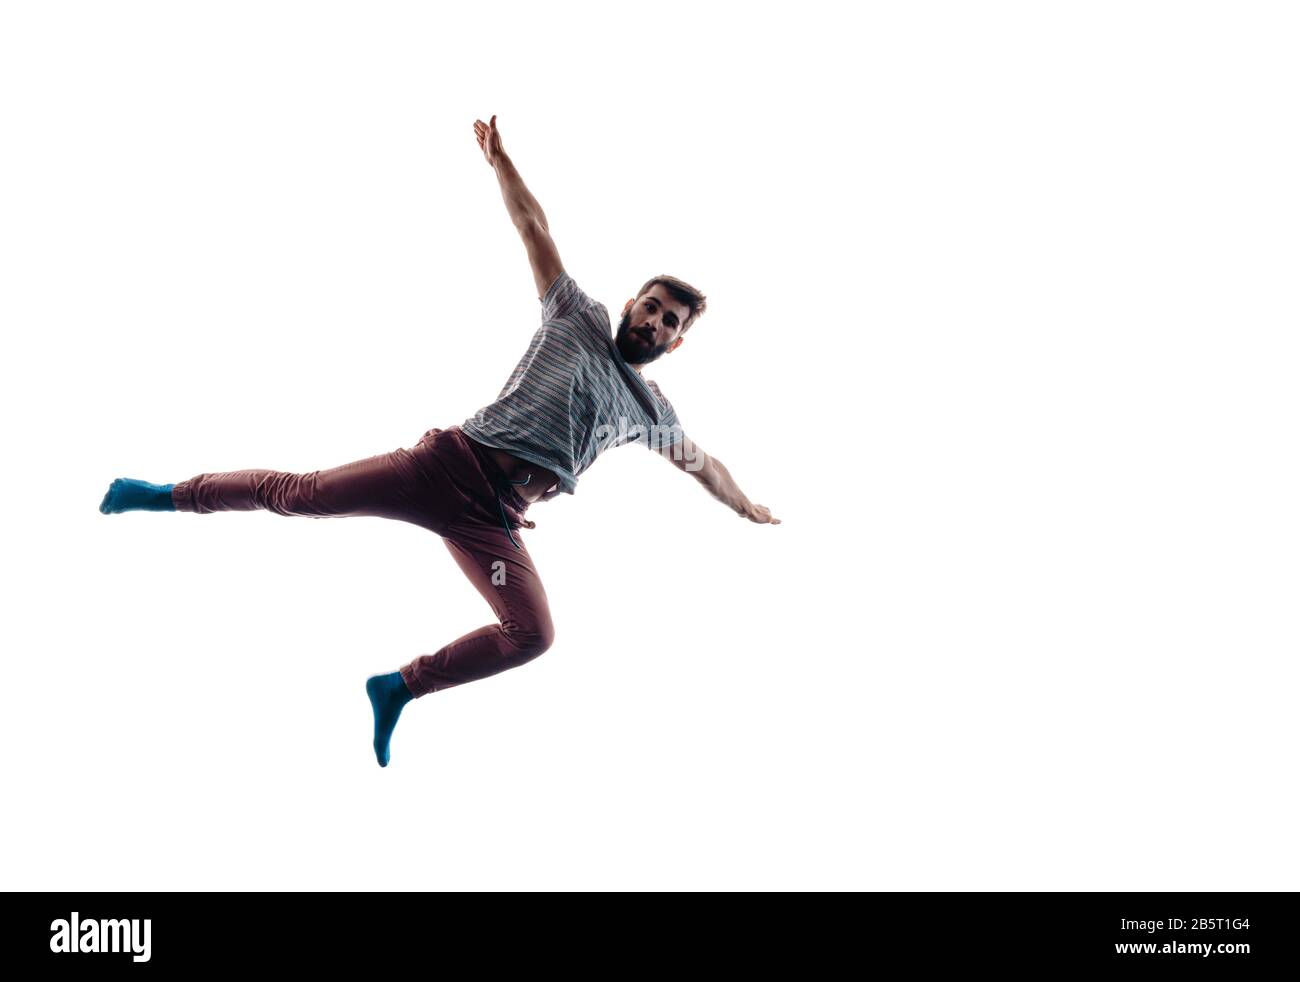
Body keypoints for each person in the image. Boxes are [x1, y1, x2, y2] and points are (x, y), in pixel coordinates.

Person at [99, 115, 781, 767]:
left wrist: (745, 505)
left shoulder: (651, 410)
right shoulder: (577, 315)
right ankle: (160, 495)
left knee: (533, 636)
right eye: (653, 307)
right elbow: (532, 226)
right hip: (442, 468)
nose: (656, 323)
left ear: (677, 341)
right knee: (299, 495)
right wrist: (501, 161)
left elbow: (706, 467)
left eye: (670, 322)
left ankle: (397, 687)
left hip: (493, 520)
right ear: (632, 302)